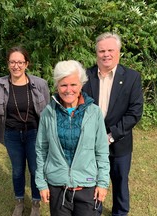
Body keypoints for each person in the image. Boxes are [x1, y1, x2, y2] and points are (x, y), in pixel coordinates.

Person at [35, 60, 110, 216]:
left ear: (81, 85)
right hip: (58, 187)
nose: (68, 90)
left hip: (87, 186)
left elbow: (102, 152)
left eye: (73, 84)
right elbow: (41, 150)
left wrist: (103, 184)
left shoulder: (94, 113)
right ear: (57, 86)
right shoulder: (48, 113)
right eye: (63, 85)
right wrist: (41, 184)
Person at [82, 32, 144, 216]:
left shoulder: (132, 77)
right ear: (96, 53)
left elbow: (135, 112)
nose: (106, 54)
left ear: (118, 52)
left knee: (120, 182)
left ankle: (120, 212)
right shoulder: (86, 75)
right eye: (102, 50)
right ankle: (95, 211)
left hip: (119, 141)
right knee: (92, 181)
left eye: (110, 50)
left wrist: (110, 136)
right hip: (90, 143)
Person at [0, 46, 50, 216]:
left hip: (34, 133)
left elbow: (46, 113)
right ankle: (19, 202)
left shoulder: (40, 84)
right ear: (8, 63)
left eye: (20, 62)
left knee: (35, 169)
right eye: (12, 62)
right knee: (17, 170)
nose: (16, 66)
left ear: (26, 64)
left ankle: (36, 204)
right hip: (12, 134)